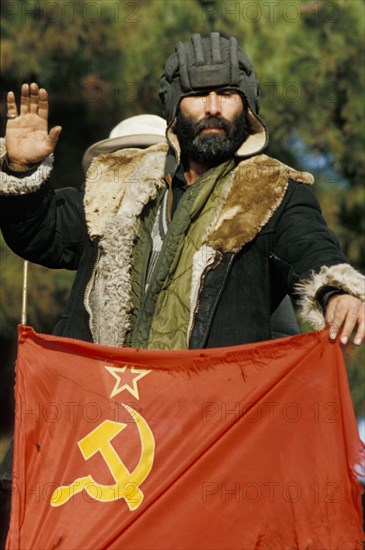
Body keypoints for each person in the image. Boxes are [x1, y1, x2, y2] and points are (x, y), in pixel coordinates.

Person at [0, 32, 364, 350]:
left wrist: (337, 291)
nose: (213, 107)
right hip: (112, 409)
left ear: (247, 105)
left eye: (227, 93)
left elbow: (311, 248)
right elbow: (39, 234)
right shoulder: (116, 183)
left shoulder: (273, 190)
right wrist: (20, 169)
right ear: (175, 106)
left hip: (212, 416)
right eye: (199, 94)